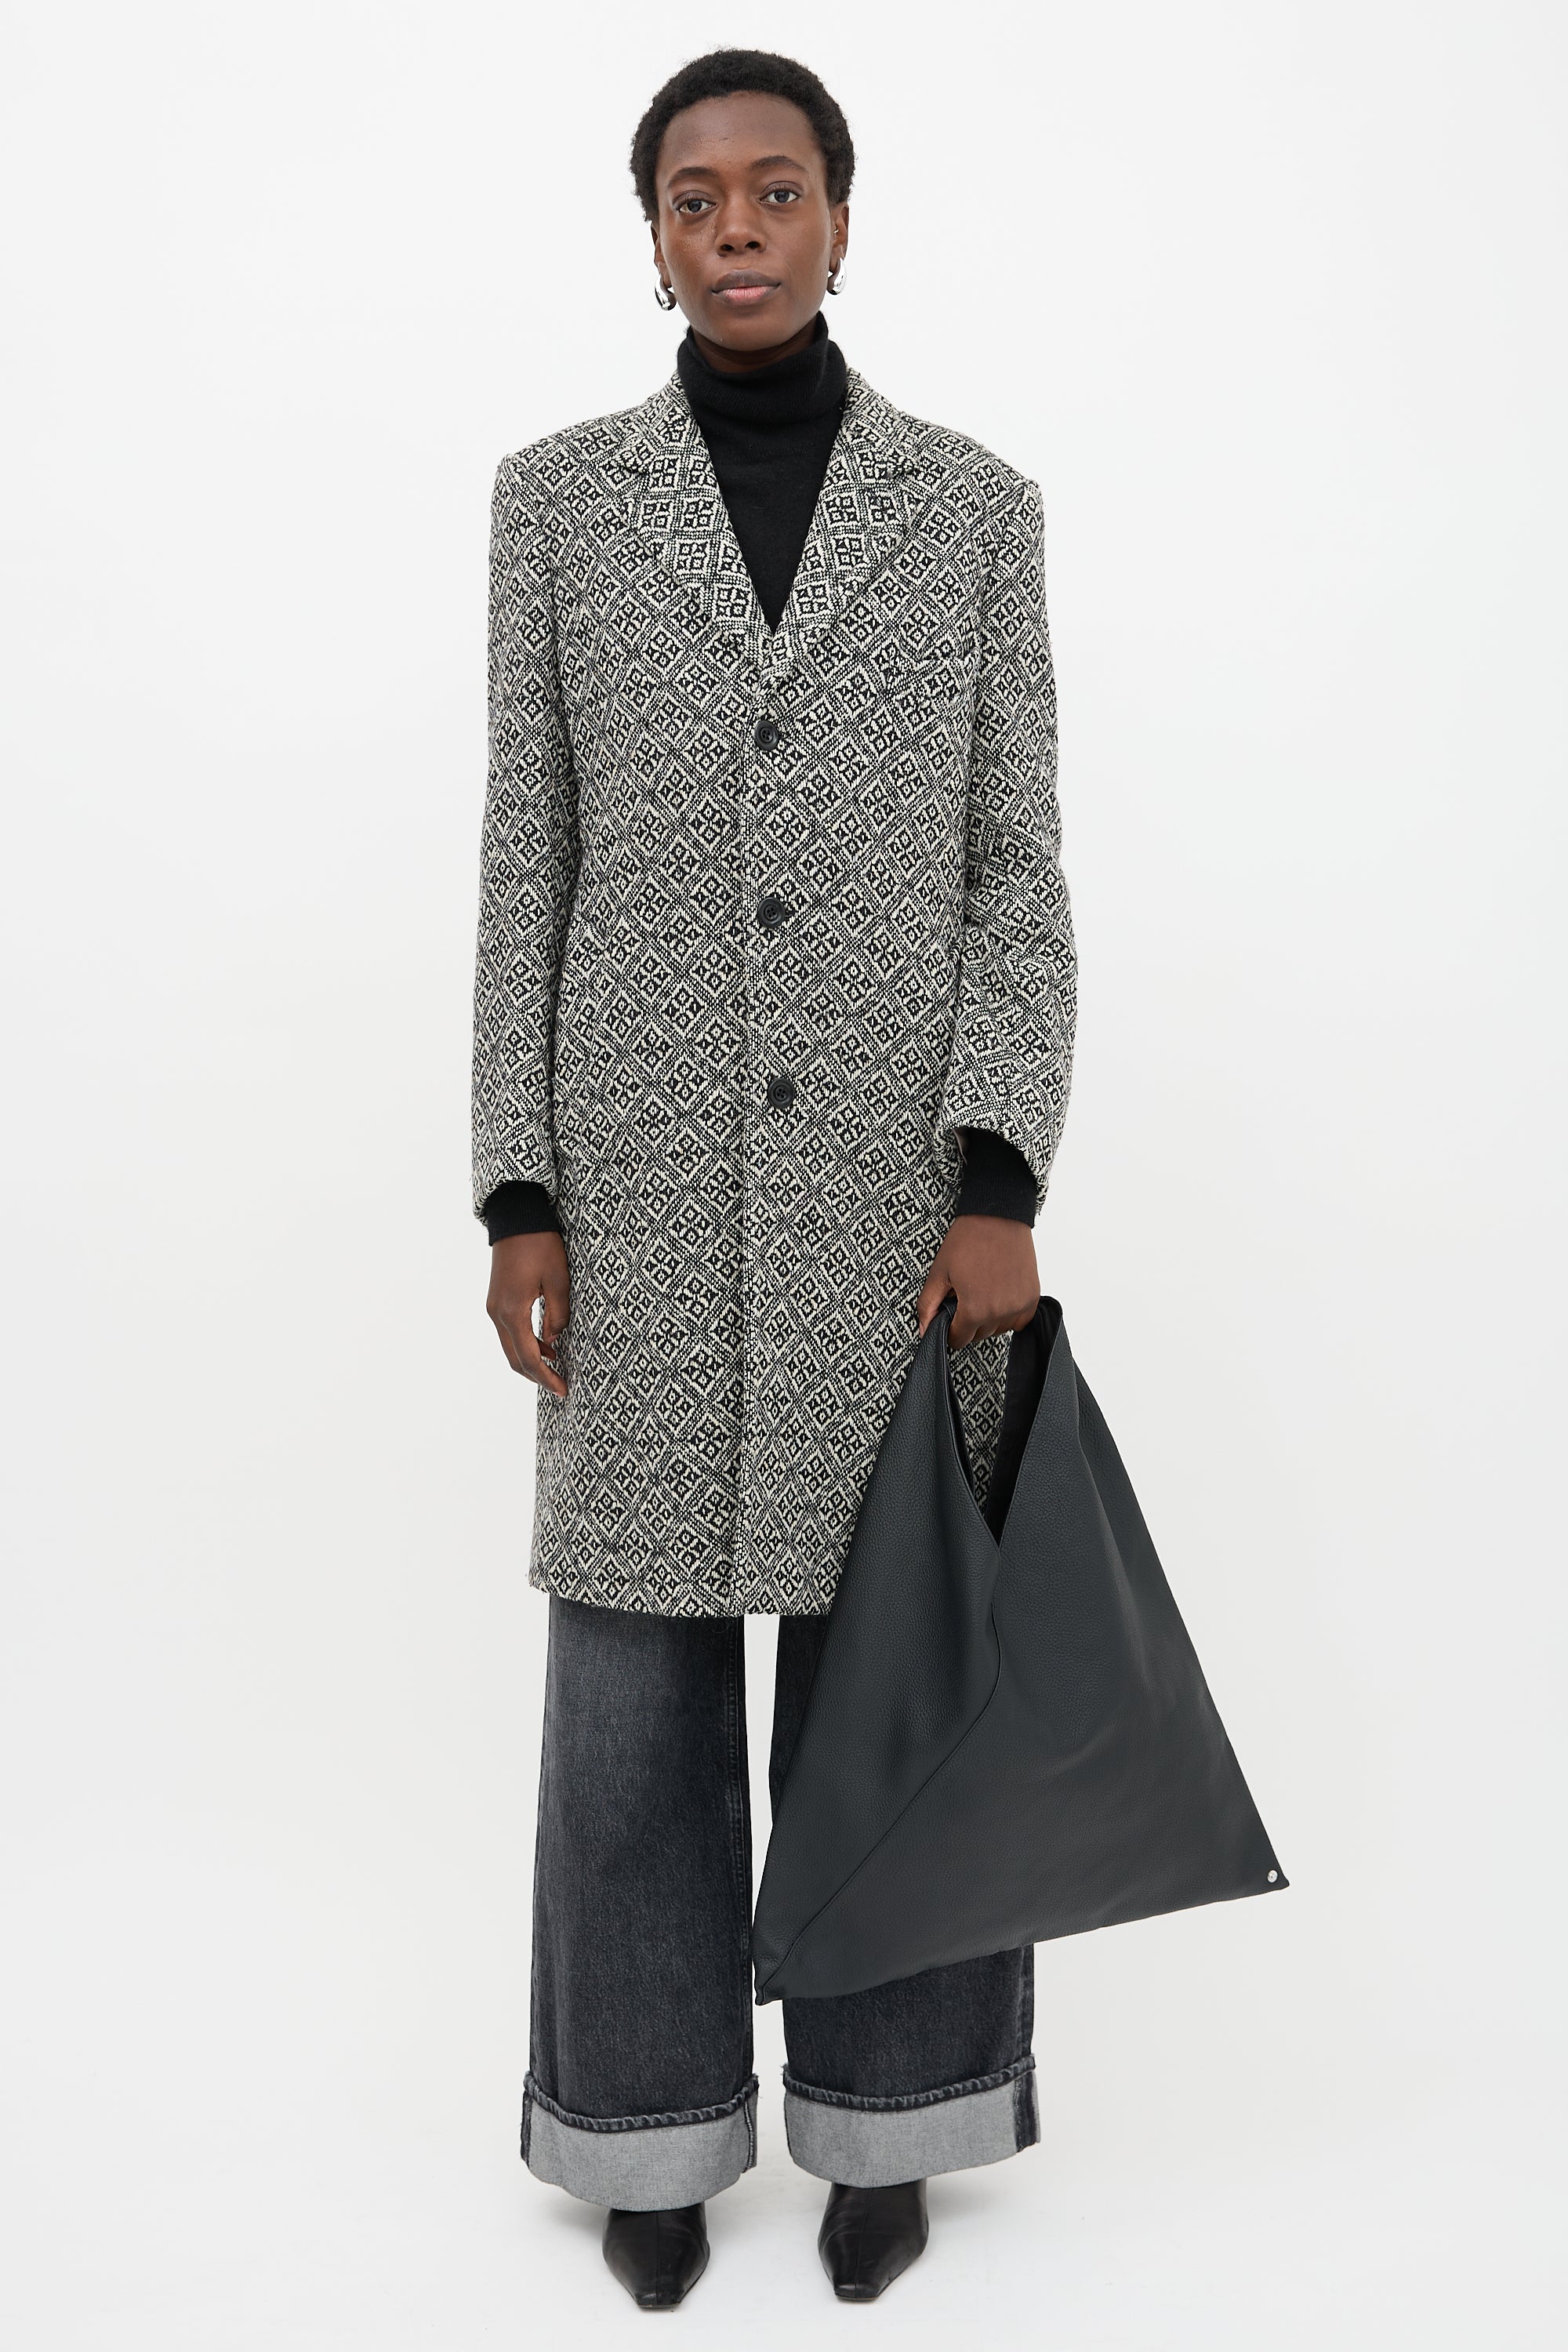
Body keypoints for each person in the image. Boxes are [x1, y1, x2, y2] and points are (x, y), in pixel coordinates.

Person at [473, 47, 1076, 2310]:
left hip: (896, 1213)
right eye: (695, 196)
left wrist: (997, 1171)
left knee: (894, 1681)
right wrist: (517, 1191)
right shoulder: (557, 506)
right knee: (632, 1703)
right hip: (633, 1194)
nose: (738, 225)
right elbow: (527, 860)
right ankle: (642, 2130)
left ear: (840, 214)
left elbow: (1016, 868)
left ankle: (893, 2119)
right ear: (651, 237)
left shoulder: (974, 510)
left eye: (779, 187)